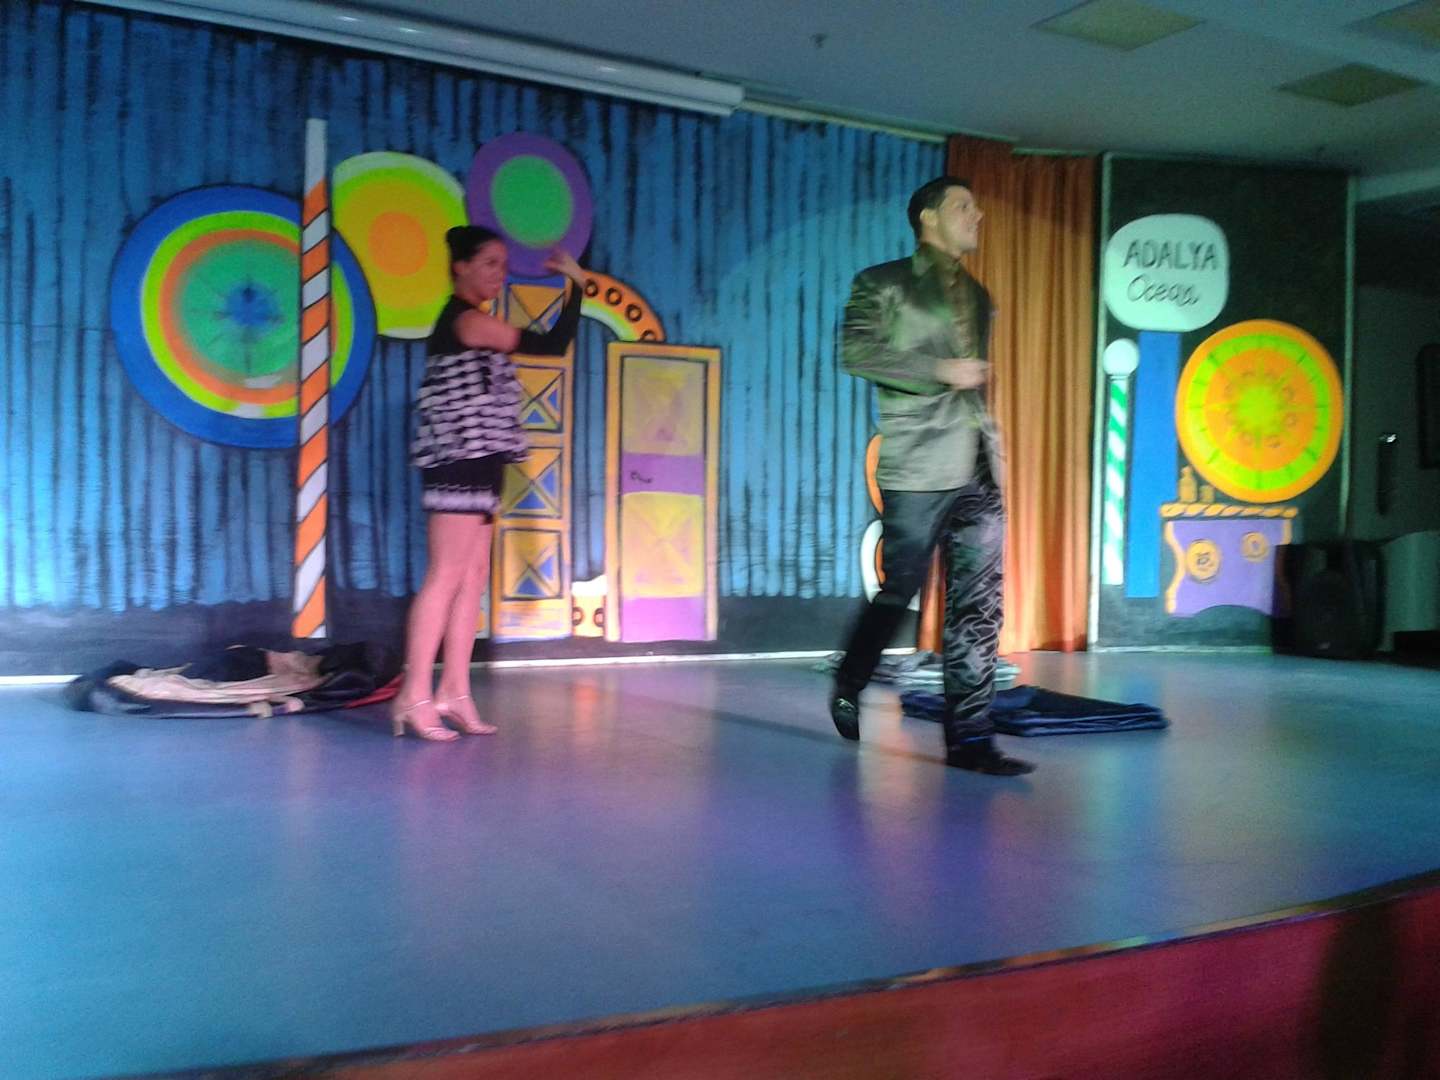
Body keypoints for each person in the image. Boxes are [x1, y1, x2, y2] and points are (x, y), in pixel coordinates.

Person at [829, 177, 1034, 776]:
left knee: (979, 603)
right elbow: (856, 352)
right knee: (900, 590)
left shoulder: (979, 295)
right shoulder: (882, 282)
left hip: (978, 465)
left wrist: (990, 441)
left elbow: (973, 388)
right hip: (919, 464)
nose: (978, 214)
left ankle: (971, 741)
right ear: (928, 216)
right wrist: (939, 369)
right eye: (964, 205)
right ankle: (851, 678)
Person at [391, 225, 585, 740]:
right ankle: (413, 694)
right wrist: (578, 285)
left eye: (504, 264)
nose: (501, 274)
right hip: (457, 461)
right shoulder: (468, 321)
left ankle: (455, 690)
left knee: (473, 575)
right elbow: (552, 343)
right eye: (490, 264)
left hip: (482, 461)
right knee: (446, 574)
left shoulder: (476, 320)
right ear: (461, 266)